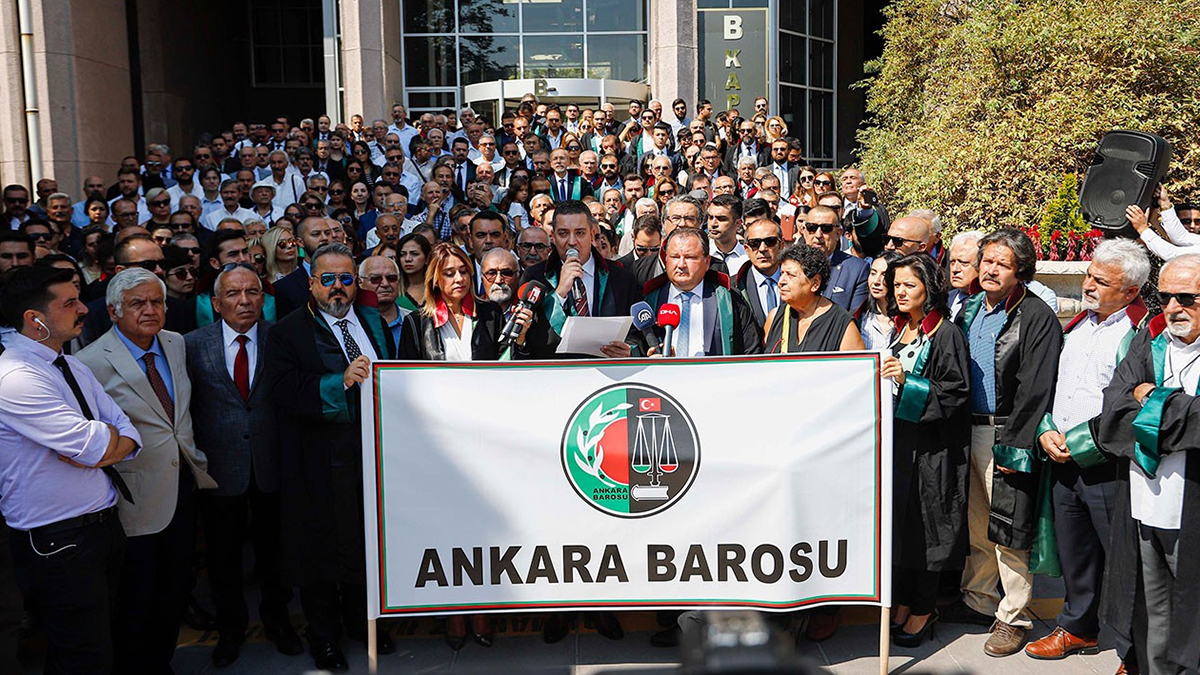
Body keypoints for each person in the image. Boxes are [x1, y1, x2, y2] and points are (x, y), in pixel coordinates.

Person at [0, 265, 141, 674]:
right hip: (58, 541)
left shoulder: (73, 366)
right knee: (84, 654)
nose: (84, 308)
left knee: (86, 647)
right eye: (70, 302)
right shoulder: (16, 377)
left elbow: (126, 433)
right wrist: (108, 442)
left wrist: (109, 442)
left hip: (101, 528)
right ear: (34, 318)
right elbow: (94, 444)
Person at [76, 267, 217, 674]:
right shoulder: (90, 362)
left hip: (184, 487)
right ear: (115, 311)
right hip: (133, 499)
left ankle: (161, 661)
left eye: (157, 301)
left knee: (173, 589)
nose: (150, 310)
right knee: (135, 596)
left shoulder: (175, 343)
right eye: (138, 303)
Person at [262, 242, 395, 671]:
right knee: (320, 550)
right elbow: (283, 390)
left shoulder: (372, 321)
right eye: (328, 280)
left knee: (366, 544)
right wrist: (338, 381)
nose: (338, 288)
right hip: (318, 460)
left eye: (346, 279)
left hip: (372, 456)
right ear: (312, 283)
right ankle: (324, 636)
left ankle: (360, 621)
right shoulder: (287, 331)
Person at [1021, 239, 1150, 665]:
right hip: (1060, 457)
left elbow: (1130, 407)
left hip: (1108, 466)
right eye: (1090, 274)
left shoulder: (1142, 334)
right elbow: (1051, 386)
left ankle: (1135, 650)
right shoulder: (1078, 323)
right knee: (1076, 551)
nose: (1088, 284)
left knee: (1122, 560)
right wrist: (1044, 430)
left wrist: (1077, 444)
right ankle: (1079, 627)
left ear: (1131, 291)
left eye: (1101, 280)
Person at [944, 229, 1062, 657]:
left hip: (1006, 433)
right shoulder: (972, 307)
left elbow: (1036, 388)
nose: (991, 269)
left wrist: (1016, 445)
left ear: (1021, 272)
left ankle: (1014, 616)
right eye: (987, 261)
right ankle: (979, 601)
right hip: (968, 430)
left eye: (1002, 263)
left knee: (1009, 530)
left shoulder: (1034, 316)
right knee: (976, 525)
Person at [184, 265, 301, 666]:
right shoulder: (191, 345)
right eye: (234, 294)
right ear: (216, 303)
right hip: (218, 469)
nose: (245, 300)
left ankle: (278, 622)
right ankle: (231, 630)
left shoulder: (280, 337)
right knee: (223, 558)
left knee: (275, 555)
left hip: (273, 465)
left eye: (253, 292)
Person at [1097, 253, 1200, 675]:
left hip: (1191, 503)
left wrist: (1152, 399)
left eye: (1187, 298)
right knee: (1151, 608)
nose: (1173, 308)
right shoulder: (1150, 340)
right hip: (1143, 500)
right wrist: (1179, 412)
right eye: (1166, 298)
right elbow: (1112, 410)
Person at [880, 254, 972, 647]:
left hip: (933, 448)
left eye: (909, 285)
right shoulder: (899, 331)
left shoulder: (945, 333)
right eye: (897, 284)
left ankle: (923, 608)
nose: (901, 292)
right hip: (900, 445)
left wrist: (909, 382)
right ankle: (902, 601)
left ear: (928, 289)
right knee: (901, 529)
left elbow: (954, 392)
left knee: (926, 531)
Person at [520, 200, 644, 360]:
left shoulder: (621, 277)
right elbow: (529, 337)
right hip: (556, 373)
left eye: (580, 233)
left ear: (592, 234)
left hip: (607, 375)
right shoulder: (536, 277)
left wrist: (629, 350)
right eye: (563, 233)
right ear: (553, 236)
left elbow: (638, 332)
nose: (572, 241)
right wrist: (559, 294)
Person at [642, 227, 763, 356]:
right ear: (666, 260)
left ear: (707, 262)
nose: (681, 265)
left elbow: (750, 350)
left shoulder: (728, 299)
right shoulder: (650, 301)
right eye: (675, 257)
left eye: (690, 257)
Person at [764, 244, 866, 354]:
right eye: (781, 274)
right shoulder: (775, 317)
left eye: (791, 275)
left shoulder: (841, 324)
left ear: (815, 283)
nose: (781, 282)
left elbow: (857, 368)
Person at [804, 205, 869, 314]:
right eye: (812, 227)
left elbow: (854, 317)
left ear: (838, 233)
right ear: (804, 230)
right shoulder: (791, 265)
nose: (818, 234)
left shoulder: (857, 269)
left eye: (826, 229)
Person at [273, 216, 337, 317]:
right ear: (300, 242)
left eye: (327, 233)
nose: (324, 238)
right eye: (316, 234)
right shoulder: (285, 287)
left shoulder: (348, 273)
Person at [359, 255, 407, 353]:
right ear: (360, 282)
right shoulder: (351, 323)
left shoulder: (415, 321)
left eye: (391, 278)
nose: (385, 284)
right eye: (375, 279)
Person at [859, 251, 904, 351]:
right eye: (873, 273)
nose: (876, 281)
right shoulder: (860, 318)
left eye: (884, 275)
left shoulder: (908, 320)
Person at [947, 230, 984, 321]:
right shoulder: (944, 299)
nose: (955, 269)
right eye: (952, 262)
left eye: (964, 263)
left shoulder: (989, 303)